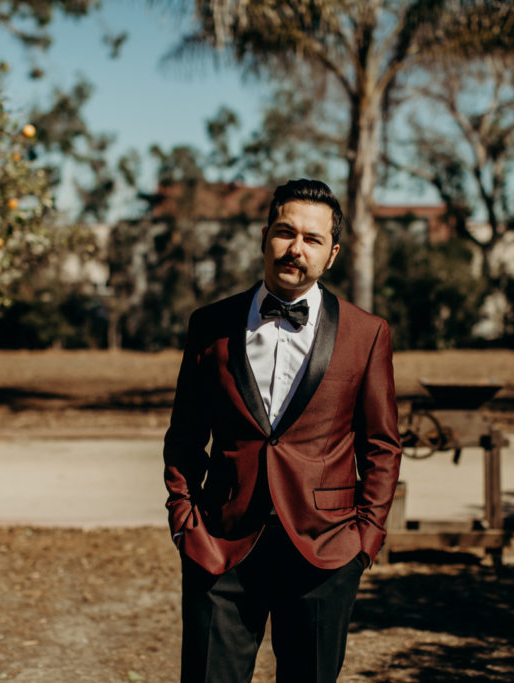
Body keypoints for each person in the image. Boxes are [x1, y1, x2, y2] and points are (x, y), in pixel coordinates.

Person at [163, 178, 402, 682]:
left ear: (332, 253)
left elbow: (381, 444)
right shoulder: (210, 325)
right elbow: (185, 435)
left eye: (312, 239)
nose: (296, 249)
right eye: (285, 232)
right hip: (221, 546)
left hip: (326, 552)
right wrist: (186, 520)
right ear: (264, 237)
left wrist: (366, 538)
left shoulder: (367, 333)